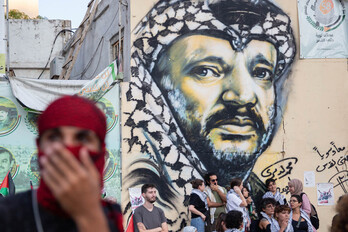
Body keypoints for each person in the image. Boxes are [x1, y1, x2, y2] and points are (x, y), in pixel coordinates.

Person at [123, 0, 296, 229]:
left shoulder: (254, 188)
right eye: (206, 71)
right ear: (155, 90)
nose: (243, 96)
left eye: (262, 72)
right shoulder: (151, 190)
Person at [0, 95, 123, 231]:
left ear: (101, 150)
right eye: (54, 137)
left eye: (82, 138)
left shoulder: (111, 217)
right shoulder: (8, 213)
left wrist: (90, 216)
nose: (67, 149)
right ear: (40, 146)